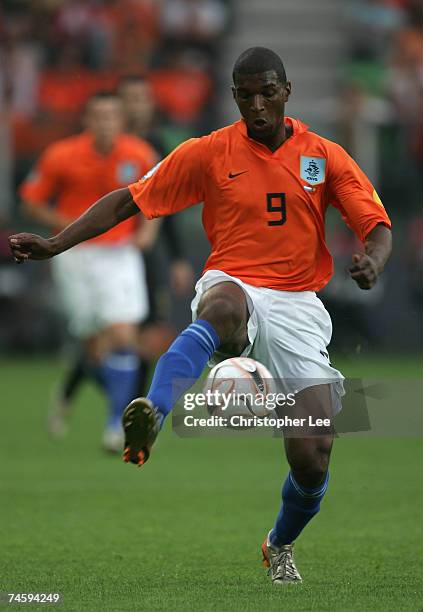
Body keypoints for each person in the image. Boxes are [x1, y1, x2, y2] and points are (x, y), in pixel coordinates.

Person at [10, 47, 392, 584]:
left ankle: (278, 542)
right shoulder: (209, 152)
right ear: (233, 96)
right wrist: (56, 242)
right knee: (223, 305)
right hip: (233, 281)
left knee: (312, 456)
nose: (257, 104)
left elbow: (376, 224)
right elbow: (129, 200)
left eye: (267, 92)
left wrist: (373, 261)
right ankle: (156, 408)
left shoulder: (323, 156)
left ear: (286, 91)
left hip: (299, 306)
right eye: (245, 94)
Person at [19, 90, 160, 452]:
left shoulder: (139, 153)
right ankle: (76, 391)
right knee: (94, 348)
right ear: (88, 120)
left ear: (121, 120)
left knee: (124, 336)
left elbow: (161, 197)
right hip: (75, 255)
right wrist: (62, 225)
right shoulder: (61, 155)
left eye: (112, 116)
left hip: (119, 255)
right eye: (98, 116)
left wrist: (145, 232)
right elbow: (31, 199)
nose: (105, 123)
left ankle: (116, 426)